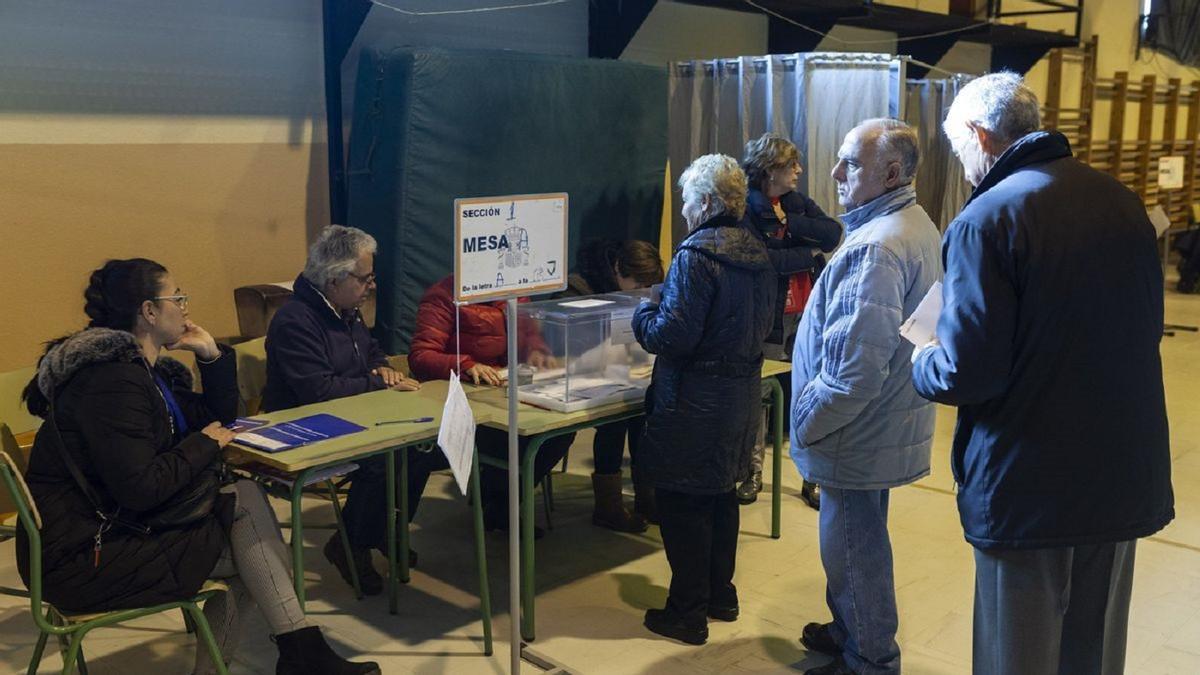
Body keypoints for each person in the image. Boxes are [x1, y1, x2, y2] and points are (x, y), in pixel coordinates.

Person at [911, 72, 1174, 675]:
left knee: (1018, 654)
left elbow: (967, 372)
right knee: (1096, 649)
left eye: (961, 154)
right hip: (1121, 469)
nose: (967, 171)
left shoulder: (988, 218)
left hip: (1029, 480)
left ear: (980, 136)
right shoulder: (1122, 201)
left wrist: (922, 361)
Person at [17, 258, 377, 675]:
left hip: (107, 529)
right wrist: (204, 445)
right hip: (85, 557)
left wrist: (209, 356)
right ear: (149, 312)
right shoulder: (113, 383)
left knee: (242, 503)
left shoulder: (141, 374)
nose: (186, 308)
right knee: (249, 548)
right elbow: (143, 487)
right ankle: (296, 653)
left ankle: (298, 652)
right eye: (178, 298)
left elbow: (214, 418)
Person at [789, 119, 942, 675]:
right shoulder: (916, 223)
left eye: (850, 163)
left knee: (854, 550)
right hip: (884, 422)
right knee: (859, 540)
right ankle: (850, 629)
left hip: (854, 432)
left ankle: (871, 659)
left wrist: (803, 421)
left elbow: (851, 376)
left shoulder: (876, 247)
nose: (834, 173)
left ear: (892, 173)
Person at [634, 154, 775, 646]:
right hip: (738, 395)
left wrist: (644, 313)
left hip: (694, 399)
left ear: (709, 202)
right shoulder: (757, 253)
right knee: (719, 496)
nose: (686, 209)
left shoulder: (697, 256)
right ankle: (721, 595)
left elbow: (673, 336)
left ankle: (687, 612)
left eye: (689, 200)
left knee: (682, 501)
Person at [263, 224, 432, 597]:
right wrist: (378, 382)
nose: (371, 285)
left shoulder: (345, 308)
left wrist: (384, 367)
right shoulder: (295, 320)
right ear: (334, 278)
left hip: (353, 416)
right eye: (365, 278)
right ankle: (350, 544)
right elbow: (319, 391)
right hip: (301, 426)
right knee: (380, 460)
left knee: (422, 448)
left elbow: (370, 354)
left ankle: (385, 531)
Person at [407, 275, 573, 536]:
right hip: (466, 400)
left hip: (505, 391)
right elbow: (421, 355)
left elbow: (529, 334)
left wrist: (538, 351)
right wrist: (467, 364)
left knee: (558, 431)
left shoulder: (515, 292)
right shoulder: (442, 295)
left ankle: (502, 504)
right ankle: (498, 504)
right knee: (509, 438)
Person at [738, 132, 843, 508]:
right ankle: (751, 473)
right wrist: (805, 251)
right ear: (769, 170)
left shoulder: (795, 202)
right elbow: (761, 260)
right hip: (768, 317)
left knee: (810, 396)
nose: (799, 170)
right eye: (790, 165)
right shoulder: (746, 208)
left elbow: (832, 234)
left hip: (807, 314)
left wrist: (792, 226)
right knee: (757, 400)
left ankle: (811, 477)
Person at [560, 239, 664, 531]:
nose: (641, 293)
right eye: (636, 286)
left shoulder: (638, 285)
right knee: (614, 423)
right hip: (586, 373)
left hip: (630, 373)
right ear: (618, 270)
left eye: (648, 286)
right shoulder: (580, 287)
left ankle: (648, 498)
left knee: (644, 417)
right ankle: (608, 507)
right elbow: (572, 348)